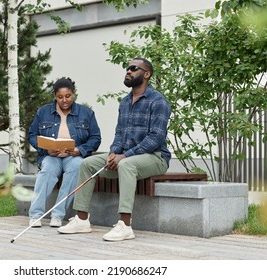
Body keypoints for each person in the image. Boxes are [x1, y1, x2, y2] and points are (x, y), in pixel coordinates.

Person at [58, 58, 171, 241]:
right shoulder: (125, 102)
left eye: (134, 68)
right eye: (127, 68)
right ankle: (81, 219)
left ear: (147, 74)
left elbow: (155, 138)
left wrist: (124, 155)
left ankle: (125, 225)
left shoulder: (158, 102)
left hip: (155, 157)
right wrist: (113, 153)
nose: (128, 71)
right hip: (126, 156)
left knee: (126, 165)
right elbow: (119, 133)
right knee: (87, 163)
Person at [27, 77, 101, 228]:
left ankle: (57, 215)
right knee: (47, 171)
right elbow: (32, 135)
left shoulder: (86, 113)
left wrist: (79, 150)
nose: (64, 100)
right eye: (60, 97)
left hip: (73, 156)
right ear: (55, 96)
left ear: (73, 94)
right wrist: (46, 149)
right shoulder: (43, 112)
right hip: (51, 155)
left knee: (77, 167)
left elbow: (95, 138)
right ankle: (35, 214)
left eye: (68, 96)